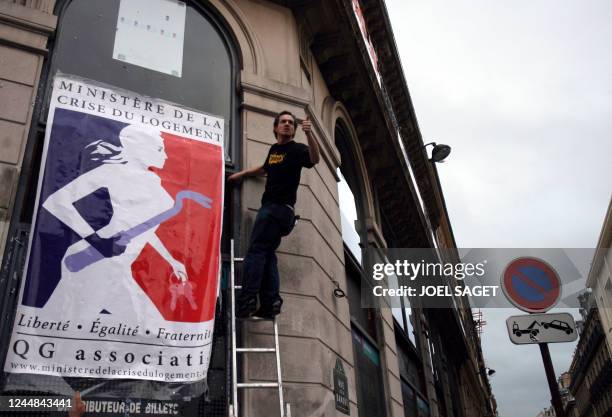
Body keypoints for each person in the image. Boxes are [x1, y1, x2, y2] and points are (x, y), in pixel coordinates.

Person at [42, 124, 188, 319]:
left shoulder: (152, 181)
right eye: (160, 149)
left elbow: (144, 228)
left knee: (150, 333)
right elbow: (56, 201)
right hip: (95, 264)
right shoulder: (112, 172)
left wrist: (171, 260)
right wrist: (96, 241)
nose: (166, 156)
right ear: (140, 148)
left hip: (118, 270)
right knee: (67, 326)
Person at [228, 111, 320, 318]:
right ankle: (271, 303)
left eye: (291, 123)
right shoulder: (274, 150)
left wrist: (309, 135)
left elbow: (315, 159)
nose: (287, 125)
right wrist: (242, 174)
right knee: (268, 255)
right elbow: (264, 169)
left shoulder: (297, 149)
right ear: (275, 128)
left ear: (294, 130)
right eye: (283, 122)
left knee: (256, 251)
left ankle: (247, 300)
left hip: (277, 208)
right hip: (278, 213)